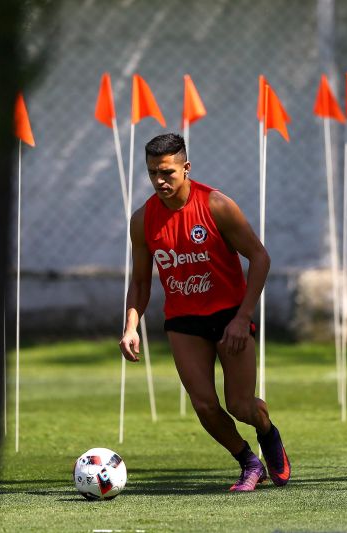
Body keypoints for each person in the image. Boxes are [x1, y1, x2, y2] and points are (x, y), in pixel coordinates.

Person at [119, 133, 290, 492]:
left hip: (230, 316)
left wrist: (243, 317)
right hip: (184, 322)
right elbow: (139, 282)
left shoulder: (215, 205)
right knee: (205, 405)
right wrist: (131, 326)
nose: (160, 181)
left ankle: (267, 432)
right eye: (152, 173)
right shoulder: (142, 220)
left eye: (167, 172)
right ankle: (248, 462)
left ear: (186, 167)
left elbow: (260, 257)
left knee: (241, 405)